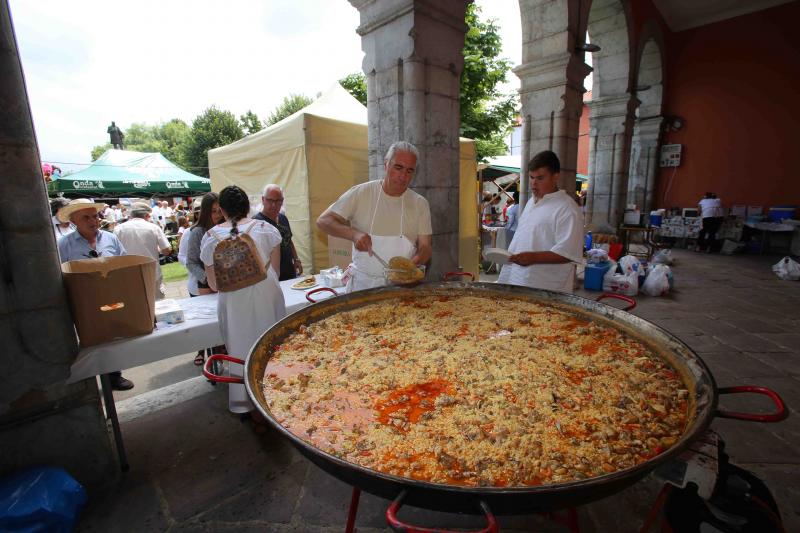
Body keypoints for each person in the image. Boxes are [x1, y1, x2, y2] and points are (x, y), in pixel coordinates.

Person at [200, 185, 286, 414]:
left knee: (241, 350)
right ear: (248, 205)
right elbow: (275, 271)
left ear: (222, 210)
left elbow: (214, 285)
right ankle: (279, 395)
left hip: (234, 301)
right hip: (267, 293)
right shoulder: (266, 229)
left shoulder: (210, 238)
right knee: (272, 346)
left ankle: (248, 404)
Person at [316, 141, 432, 292]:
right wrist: (354, 235)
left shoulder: (419, 203)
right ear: (386, 165)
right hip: (362, 286)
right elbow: (323, 221)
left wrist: (409, 268)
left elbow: (425, 247)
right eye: (398, 168)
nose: (403, 176)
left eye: (409, 171)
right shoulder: (361, 193)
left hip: (401, 288)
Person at [56, 199, 133, 391]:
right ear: (74, 221)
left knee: (114, 336)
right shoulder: (64, 244)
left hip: (112, 296)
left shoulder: (110, 238)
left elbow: (124, 262)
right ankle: (90, 381)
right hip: (85, 301)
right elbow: (61, 275)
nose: (94, 221)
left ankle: (114, 376)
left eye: (95, 216)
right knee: (92, 340)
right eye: (86, 217)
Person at [498, 151, 584, 293]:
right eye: (531, 178)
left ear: (555, 176)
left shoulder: (567, 209)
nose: (533, 184)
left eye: (540, 178)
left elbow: (569, 253)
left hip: (544, 286)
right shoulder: (532, 201)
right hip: (517, 278)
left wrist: (534, 257)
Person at [114, 202, 172, 300]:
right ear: (147, 215)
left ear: (131, 215)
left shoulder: (118, 229)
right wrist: (156, 249)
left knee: (135, 304)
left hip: (128, 274)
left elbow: (115, 253)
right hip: (151, 273)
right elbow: (166, 250)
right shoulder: (153, 227)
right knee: (157, 305)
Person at [253, 184, 302, 281]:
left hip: (289, 272)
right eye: (270, 200)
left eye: (278, 201)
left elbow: (289, 240)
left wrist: (296, 259)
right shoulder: (256, 223)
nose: (274, 205)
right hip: (270, 277)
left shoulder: (283, 218)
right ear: (263, 200)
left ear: (282, 201)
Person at [183, 193, 223, 299]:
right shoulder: (197, 232)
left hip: (227, 283)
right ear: (206, 212)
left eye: (220, 210)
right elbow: (191, 263)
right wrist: (208, 279)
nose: (218, 215)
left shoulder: (226, 227)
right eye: (213, 211)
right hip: (206, 286)